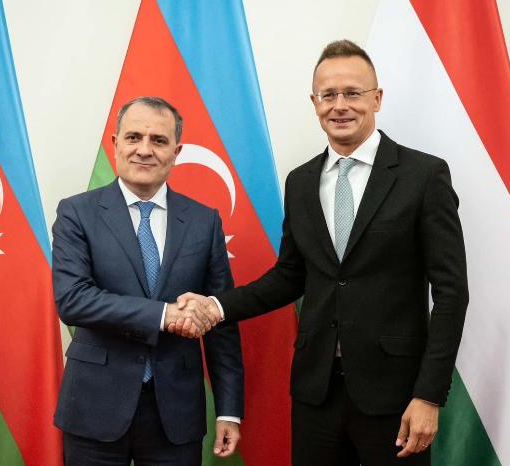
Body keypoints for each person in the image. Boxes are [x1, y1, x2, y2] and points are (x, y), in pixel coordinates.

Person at [172, 40, 468, 466]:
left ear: (377, 99)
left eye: (352, 93)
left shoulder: (423, 176)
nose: (340, 105)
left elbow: (452, 292)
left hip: (396, 395)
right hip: (316, 392)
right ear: (315, 103)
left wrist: (429, 395)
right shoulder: (301, 182)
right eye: (328, 95)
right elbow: (289, 276)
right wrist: (215, 307)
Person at [51, 96, 244, 466]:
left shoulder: (204, 221)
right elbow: (73, 300)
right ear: (115, 144)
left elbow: (221, 320)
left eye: (158, 140)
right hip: (94, 407)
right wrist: (164, 315)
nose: (144, 150)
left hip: (176, 413)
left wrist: (229, 409)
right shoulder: (76, 213)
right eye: (133, 137)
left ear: (176, 151)